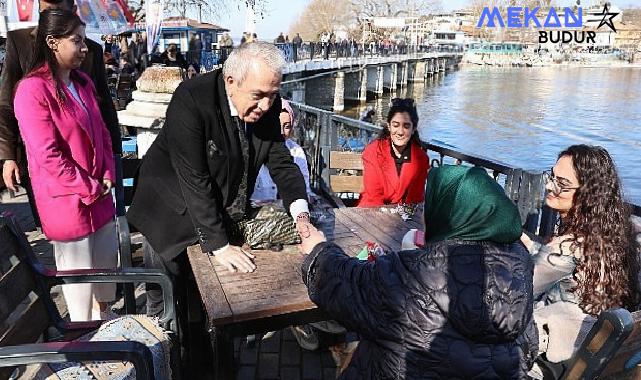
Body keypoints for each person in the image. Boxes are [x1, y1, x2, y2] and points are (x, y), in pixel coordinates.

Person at [127, 42, 311, 321]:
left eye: (272, 96)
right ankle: (166, 358)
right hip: (168, 211)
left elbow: (283, 164)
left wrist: (301, 215)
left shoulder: (268, 104)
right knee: (167, 306)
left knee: (204, 308)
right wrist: (220, 245)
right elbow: (194, 178)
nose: (266, 105)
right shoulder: (191, 99)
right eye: (258, 95)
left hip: (213, 210)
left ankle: (207, 357)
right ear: (231, 81)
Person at [299, 165, 538, 379]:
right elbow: (529, 349)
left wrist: (318, 250)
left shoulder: (410, 276)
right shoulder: (520, 272)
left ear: (449, 215)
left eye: (429, 203)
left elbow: (343, 283)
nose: (423, 211)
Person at [13, 9, 118, 322]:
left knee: (105, 289)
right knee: (79, 297)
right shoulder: (32, 90)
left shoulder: (82, 82)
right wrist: (89, 186)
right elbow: (47, 154)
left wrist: (108, 174)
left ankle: (108, 340)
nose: (85, 48)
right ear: (52, 42)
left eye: (84, 40)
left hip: (99, 197)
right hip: (67, 203)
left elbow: (102, 133)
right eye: (77, 41)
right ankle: (85, 351)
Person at [521, 145, 640, 369]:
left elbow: (520, 290)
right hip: (593, 352)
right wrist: (529, 243)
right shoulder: (616, 235)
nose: (549, 186)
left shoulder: (566, 248)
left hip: (555, 357)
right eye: (552, 176)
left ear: (588, 194)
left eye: (562, 184)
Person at [0, 0, 120, 211]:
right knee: (55, 227)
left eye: (57, 12)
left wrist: (114, 156)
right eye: (44, 11)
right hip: (42, 160)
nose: (49, 17)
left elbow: (104, 106)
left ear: (73, 12)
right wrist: (8, 156)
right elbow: (6, 103)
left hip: (90, 159)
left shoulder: (91, 50)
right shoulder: (20, 42)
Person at [358, 98, 429, 207]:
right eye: (396, 125)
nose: (400, 132)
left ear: (413, 129)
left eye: (406, 126)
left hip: (402, 215)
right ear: (389, 126)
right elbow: (373, 196)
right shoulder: (374, 151)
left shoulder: (421, 158)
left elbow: (415, 199)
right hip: (371, 211)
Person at [251, 99, 314, 203]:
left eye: (287, 126)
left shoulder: (296, 151)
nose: (281, 132)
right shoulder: (252, 149)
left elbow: (305, 189)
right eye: (277, 126)